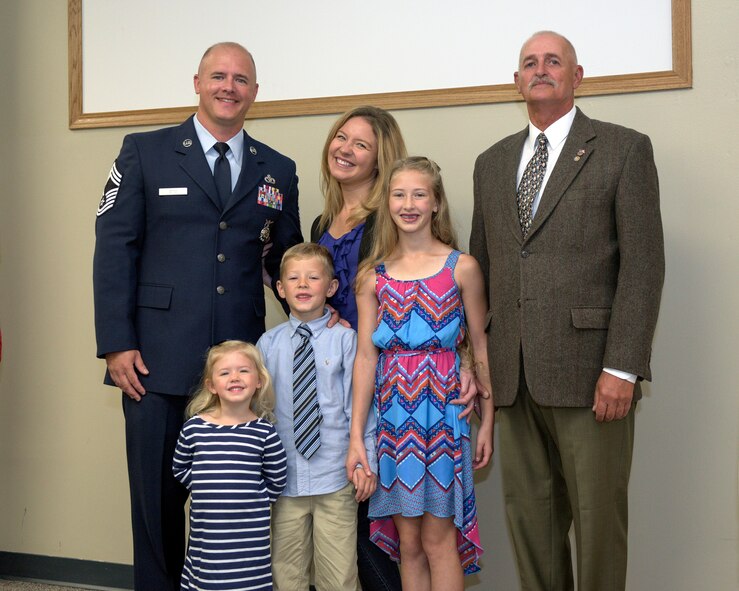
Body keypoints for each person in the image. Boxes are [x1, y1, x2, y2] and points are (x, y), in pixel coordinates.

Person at [92, 42, 302, 590]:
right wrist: (116, 342)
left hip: (237, 374)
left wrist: (325, 317)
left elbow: (286, 261)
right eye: (218, 76)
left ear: (255, 91)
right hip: (153, 360)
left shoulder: (277, 169)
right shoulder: (145, 151)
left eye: (240, 79)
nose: (228, 87)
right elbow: (115, 247)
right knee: (156, 507)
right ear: (197, 82)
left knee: (232, 509)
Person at [470, 31, 665, 591]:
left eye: (553, 61)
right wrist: (478, 364)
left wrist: (622, 367)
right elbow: (481, 271)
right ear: (517, 81)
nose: (540, 70)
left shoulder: (623, 148)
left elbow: (643, 266)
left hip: (593, 374)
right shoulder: (492, 162)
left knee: (599, 524)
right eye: (529, 63)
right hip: (515, 376)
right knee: (532, 524)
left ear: (577, 76)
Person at [348, 157, 495, 590]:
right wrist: (358, 435)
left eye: (419, 194)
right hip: (393, 421)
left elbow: (480, 346)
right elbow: (364, 358)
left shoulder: (461, 267)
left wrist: (489, 421)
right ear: (386, 203)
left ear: (435, 203)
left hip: (444, 417)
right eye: (399, 194)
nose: (408, 204)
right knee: (408, 542)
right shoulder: (372, 279)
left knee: (437, 540)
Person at [256, 243, 377, 590]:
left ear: (332, 287)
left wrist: (365, 462)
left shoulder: (347, 340)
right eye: (293, 278)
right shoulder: (268, 344)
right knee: (286, 573)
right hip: (285, 481)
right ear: (280, 289)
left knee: (339, 575)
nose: (303, 284)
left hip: (335, 477)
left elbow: (360, 404)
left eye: (313, 277)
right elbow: (261, 413)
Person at [172, 341, 287, 590]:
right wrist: (205, 486)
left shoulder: (264, 431)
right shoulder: (195, 428)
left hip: (249, 535)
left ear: (259, 380)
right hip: (208, 533)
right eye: (225, 372)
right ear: (211, 386)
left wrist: (252, 497)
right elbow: (180, 466)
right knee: (206, 580)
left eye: (244, 370)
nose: (235, 377)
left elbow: (277, 478)